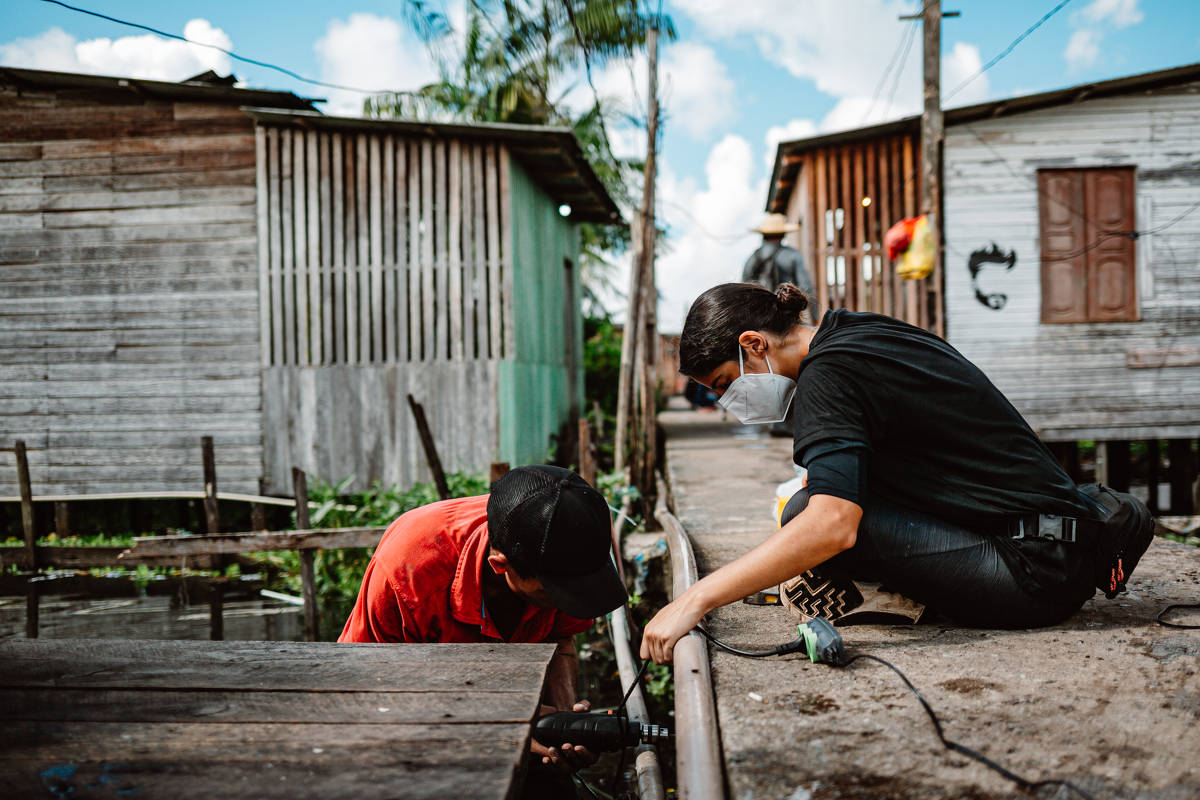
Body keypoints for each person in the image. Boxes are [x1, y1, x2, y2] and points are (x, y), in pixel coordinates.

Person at [640, 282, 1154, 664]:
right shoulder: (856, 331)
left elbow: (833, 525)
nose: (732, 402)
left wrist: (695, 598)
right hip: (1058, 542)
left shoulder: (826, 377)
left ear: (754, 343)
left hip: (1033, 573)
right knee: (805, 502)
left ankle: (901, 597)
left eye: (726, 383)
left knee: (810, 517)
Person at [340, 464, 627, 777]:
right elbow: (367, 688)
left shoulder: (571, 539)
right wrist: (507, 726)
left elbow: (561, 639)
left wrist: (563, 725)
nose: (566, 603)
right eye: (555, 594)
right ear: (500, 565)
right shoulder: (408, 570)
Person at [742, 213, 815, 436]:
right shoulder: (791, 256)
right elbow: (806, 287)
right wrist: (816, 316)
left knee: (769, 369)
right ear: (783, 233)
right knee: (793, 367)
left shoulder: (753, 258)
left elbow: (743, 289)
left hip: (760, 323)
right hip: (788, 321)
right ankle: (793, 423)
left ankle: (775, 420)